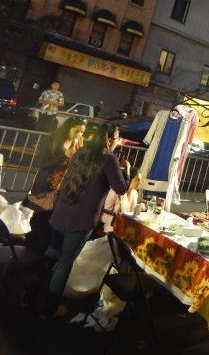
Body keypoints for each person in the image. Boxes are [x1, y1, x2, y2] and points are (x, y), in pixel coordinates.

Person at [39, 123, 129, 319]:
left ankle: (31, 295)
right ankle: (49, 308)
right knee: (64, 264)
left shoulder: (81, 153)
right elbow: (121, 189)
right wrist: (126, 170)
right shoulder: (109, 159)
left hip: (61, 214)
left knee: (51, 254)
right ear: (110, 139)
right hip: (81, 221)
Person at [24, 119, 86, 254]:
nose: (79, 135)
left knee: (51, 228)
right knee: (39, 225)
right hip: (46, 189)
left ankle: (38, 259)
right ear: (68, 128)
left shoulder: (78, 145)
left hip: (61, 192)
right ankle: (27, 255)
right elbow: (42, 164)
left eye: (82, 132)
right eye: (77, 131)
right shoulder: (52, 141)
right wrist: (64, 156)